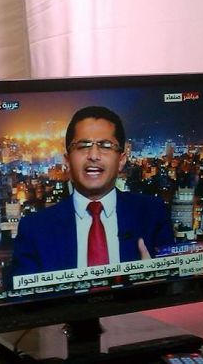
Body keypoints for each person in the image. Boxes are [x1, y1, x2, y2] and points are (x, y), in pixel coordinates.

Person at [12, 106, 174, 276]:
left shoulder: (153, 214)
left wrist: (153, 283)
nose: (94, 155)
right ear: (67, 160)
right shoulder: (34, 229)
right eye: (83, 146)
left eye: (105, 146)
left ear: (121, 160)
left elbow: (176, 284)